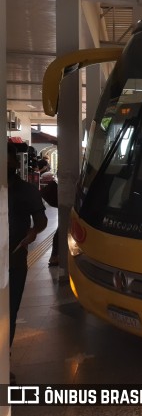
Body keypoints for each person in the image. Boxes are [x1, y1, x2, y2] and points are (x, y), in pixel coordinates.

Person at [7, 142, 47, 348]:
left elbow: (41, 222)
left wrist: (32, 233)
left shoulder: (27, 191)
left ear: (14, 161)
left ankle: (4, 361)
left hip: (14, 262)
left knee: (9, 311)